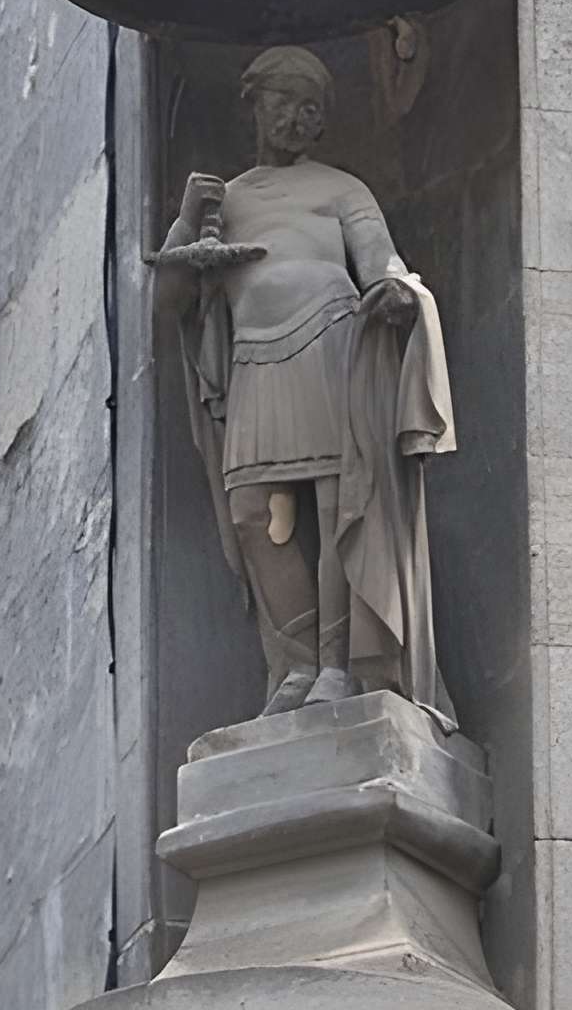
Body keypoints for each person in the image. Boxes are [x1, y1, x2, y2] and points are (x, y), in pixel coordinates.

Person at [156, 44, 456, 718]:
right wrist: (183, 219)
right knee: (255, 514)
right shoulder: (222, 201)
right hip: (254, 364)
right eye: (285, 100)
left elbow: (381, 260)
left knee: (332, 506)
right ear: (254, 103)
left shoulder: (341, 188)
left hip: (330, 339)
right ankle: (292, 663)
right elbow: (167, 304)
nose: (297, 116)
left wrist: (399, 293)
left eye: (311, 107)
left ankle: (335, 668)